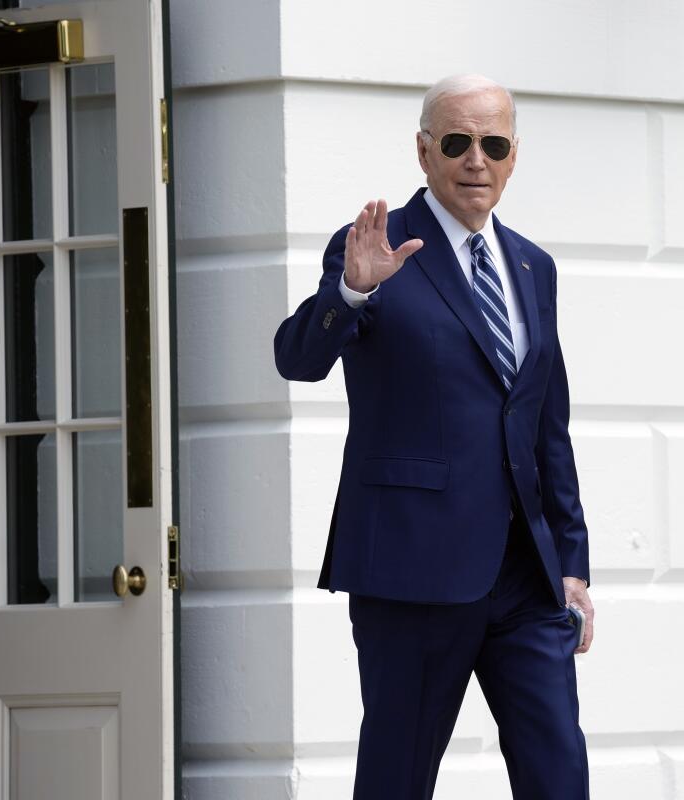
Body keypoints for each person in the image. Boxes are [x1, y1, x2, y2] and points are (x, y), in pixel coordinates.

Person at [273, 73, 594, 799]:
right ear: (424, 152)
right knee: (398, 777)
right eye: (456, 142)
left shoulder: (532, 266)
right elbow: (299, 360)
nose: (475, 159)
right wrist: (352, 292)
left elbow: (547, 425)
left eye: (493, 144)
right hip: (413, 571)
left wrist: (572, 562)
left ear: (513, 156)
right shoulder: (374, 247)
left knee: (560, 775)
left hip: (526, 580)